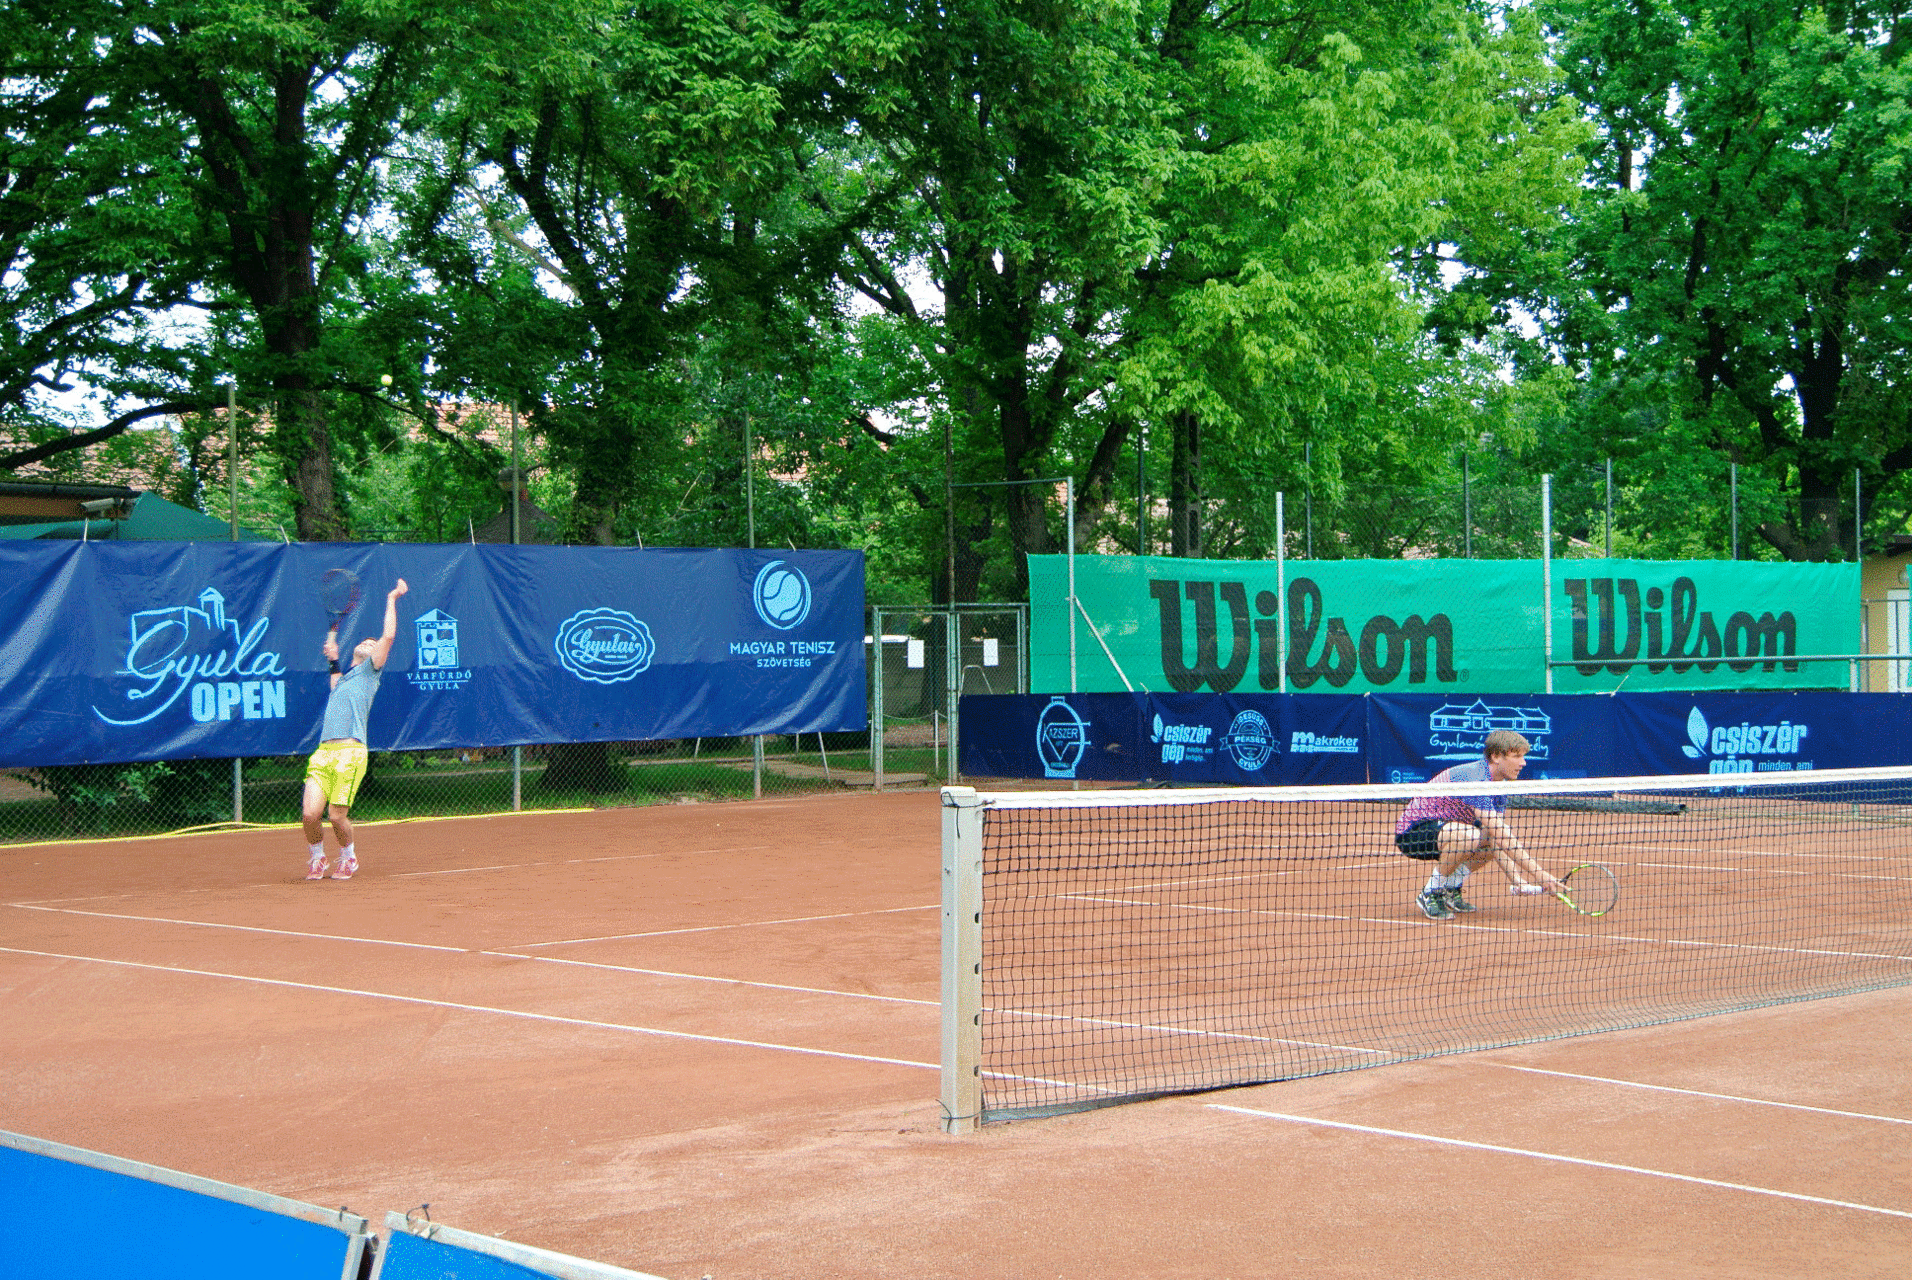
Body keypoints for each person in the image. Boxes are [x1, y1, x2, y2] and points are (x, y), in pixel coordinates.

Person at [1393, 729, 1562, 920]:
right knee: (1470, 835)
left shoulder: (1499, 787)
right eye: (1516, 756)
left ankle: (1450, 888)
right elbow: (1501, 834)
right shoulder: (1475, 778)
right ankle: (1431, 892)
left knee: (1489, 837)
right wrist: (1540, 874)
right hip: (1412, 834)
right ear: (1496, 756)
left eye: (1523, 756)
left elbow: (1496, 836)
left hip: (1447, 832)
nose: (1523, 763)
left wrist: (1518, 880)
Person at [303, 578, 408, 880]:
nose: (368, 642)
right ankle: (318, 857)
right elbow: (334, 675)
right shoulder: (343, 680)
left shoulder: (370, 673)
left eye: (372, 644)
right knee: (310, 815)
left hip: (350, 754)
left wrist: (392, 598)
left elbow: (389, 635)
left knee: (336, 817)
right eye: (365, 641)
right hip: (323, 754)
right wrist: (333, 657)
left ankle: (348, 857)